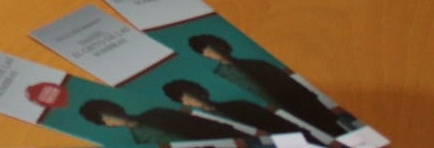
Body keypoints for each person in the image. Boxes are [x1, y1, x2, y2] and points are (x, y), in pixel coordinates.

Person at [185, 35, 348, 137]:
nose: (214, 53)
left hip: (302, 110)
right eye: (208, 51)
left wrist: (318, 108)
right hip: (269, 120)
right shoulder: (219, 77)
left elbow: (296, 88)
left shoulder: (258, 64)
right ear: (205, 55)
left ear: (223, 45)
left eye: (214, 47)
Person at [159, 78, 324, 144]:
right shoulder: (202, 126)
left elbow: (282, 125)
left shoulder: (239, 105)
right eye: (184, 99)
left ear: (200, 91)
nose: (191, 100)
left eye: (191, 94)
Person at [74, 96, 242, 144]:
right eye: (107, 117)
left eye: (111, 110)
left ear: (118, 107)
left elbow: (203, 124)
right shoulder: (140, 142)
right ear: (107, 125)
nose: (114, 115)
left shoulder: (157, 112)